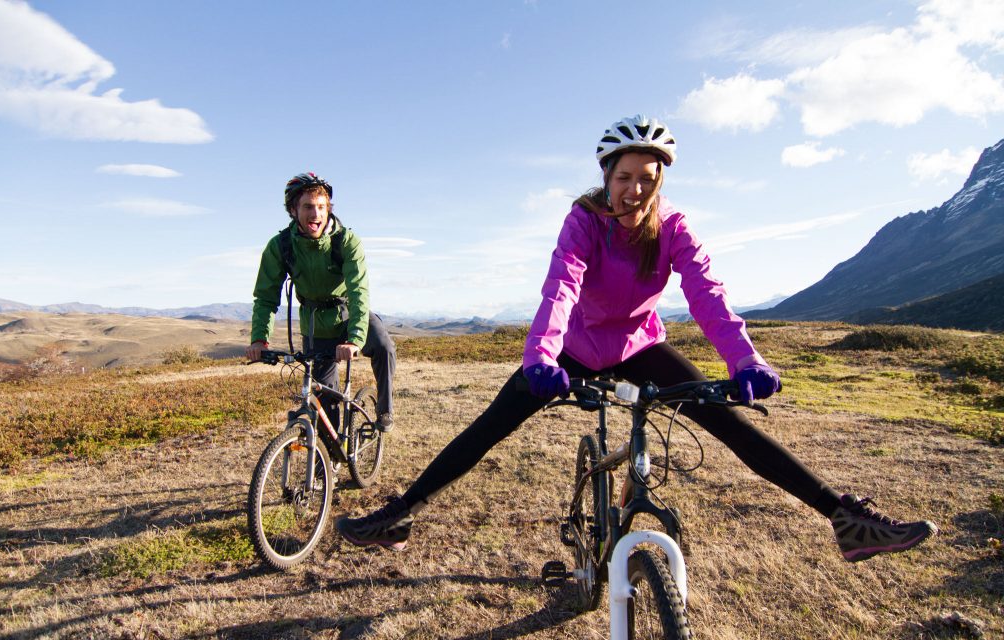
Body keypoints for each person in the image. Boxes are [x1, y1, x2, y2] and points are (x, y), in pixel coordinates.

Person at [335, 116, 936, 561]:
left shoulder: (673, 227)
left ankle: (845, 519)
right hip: (569, 349)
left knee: (730, 422)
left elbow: (708, 294)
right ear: (607, 177)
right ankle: (398, 513)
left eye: (648, 179)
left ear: (659, 180)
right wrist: (542, 354)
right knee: (491, 425)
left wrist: (745, 359)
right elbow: (561, 289)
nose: (636, 190)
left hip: (639, 347)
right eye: (625, 177)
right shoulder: (583, 222)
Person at [247, 172, 396, 432]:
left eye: (321, 207)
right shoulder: (280, 246)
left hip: (350, 315)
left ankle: (385, 409)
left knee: (383, 346)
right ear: (293, 210)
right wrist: (259, 339)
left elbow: (359, 291)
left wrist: (355, 339)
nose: (315, 214)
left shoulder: (346, 241)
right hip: (316, 327)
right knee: (324, 402)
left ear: (328, 209)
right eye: (308, 207)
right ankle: (327, 467)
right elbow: (265, 296)